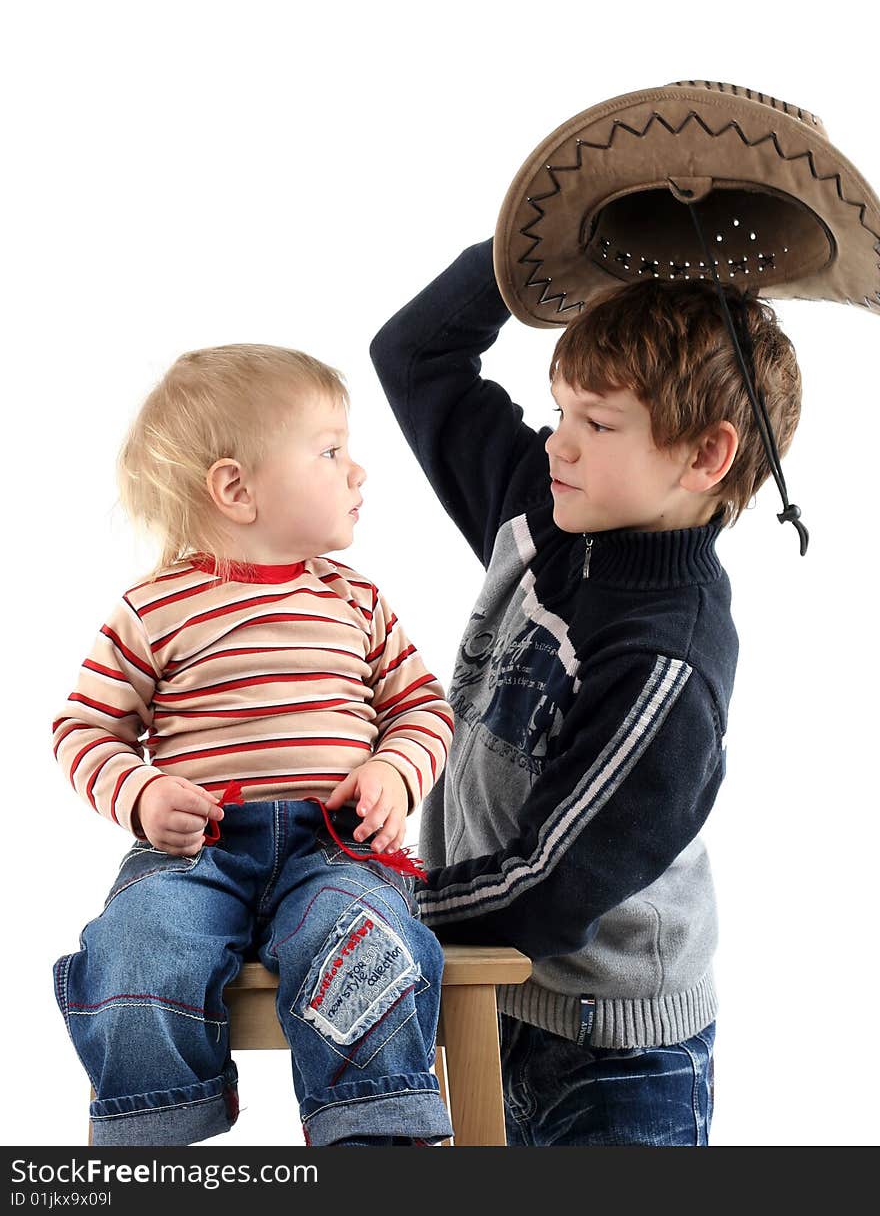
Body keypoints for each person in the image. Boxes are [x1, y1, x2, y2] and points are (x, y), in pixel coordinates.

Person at [370, 238, 802, 1146]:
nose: (557, 441)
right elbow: (413, 356)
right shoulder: (554, 507)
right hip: (494, 997)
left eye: (597, 423)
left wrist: (366, 906)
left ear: (707, 455)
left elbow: (545, 886)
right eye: (558, 408)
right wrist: (535, 240)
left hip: (613, 1063)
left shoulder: (666, 659)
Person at [51, 344, 455, 1147]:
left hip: (334, 848)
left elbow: (422, 707)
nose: (359, 472)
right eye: (332, 450)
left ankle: (373, 1134)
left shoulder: (357, 601)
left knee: (363, 941)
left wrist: (393, 771)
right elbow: (84, 729)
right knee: (135, 943)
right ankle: (152, 1133)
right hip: (197, 854)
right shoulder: (154, 608)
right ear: (236, 488)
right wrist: (141, 793)